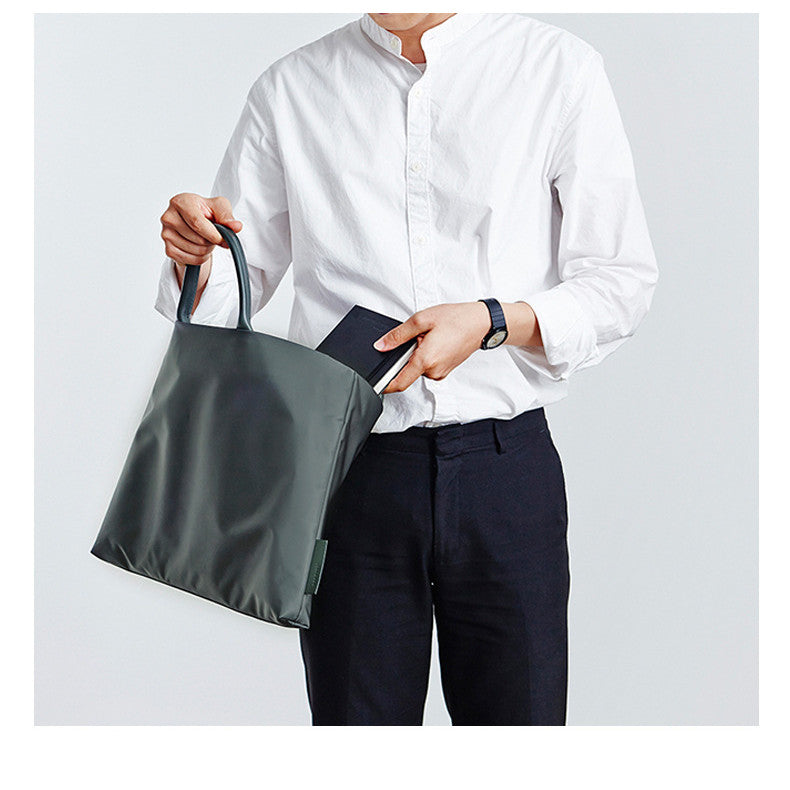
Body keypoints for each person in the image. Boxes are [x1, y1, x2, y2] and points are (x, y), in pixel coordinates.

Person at [155, 12, 658, 726]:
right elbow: (230, 294)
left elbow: (619, 280)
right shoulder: (291, 87)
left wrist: (490, 320)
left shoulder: (556, 68)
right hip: (349, 474)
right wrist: (196, 254)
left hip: (506, 473)